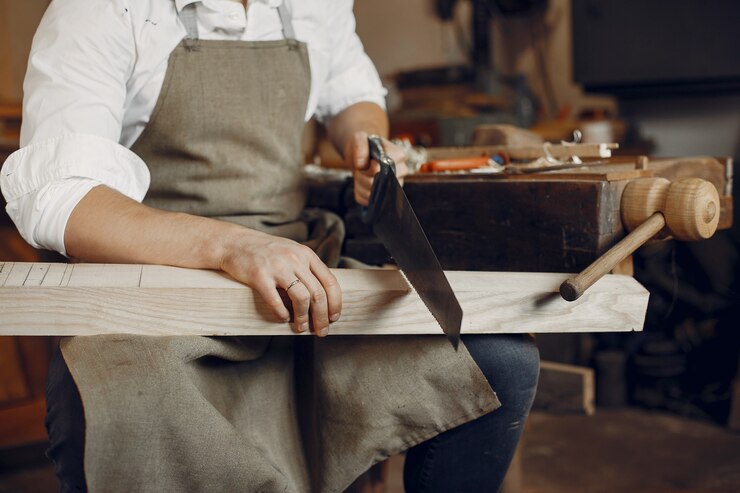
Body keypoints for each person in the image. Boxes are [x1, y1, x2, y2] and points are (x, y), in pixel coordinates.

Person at [0, 0, 540, 491]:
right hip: (158, 290)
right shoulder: (101, 11)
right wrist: (230, 246)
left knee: (498, 363)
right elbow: (60, 198)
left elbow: (354, 93)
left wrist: (367, 140)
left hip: (301, 270)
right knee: (107, 404)